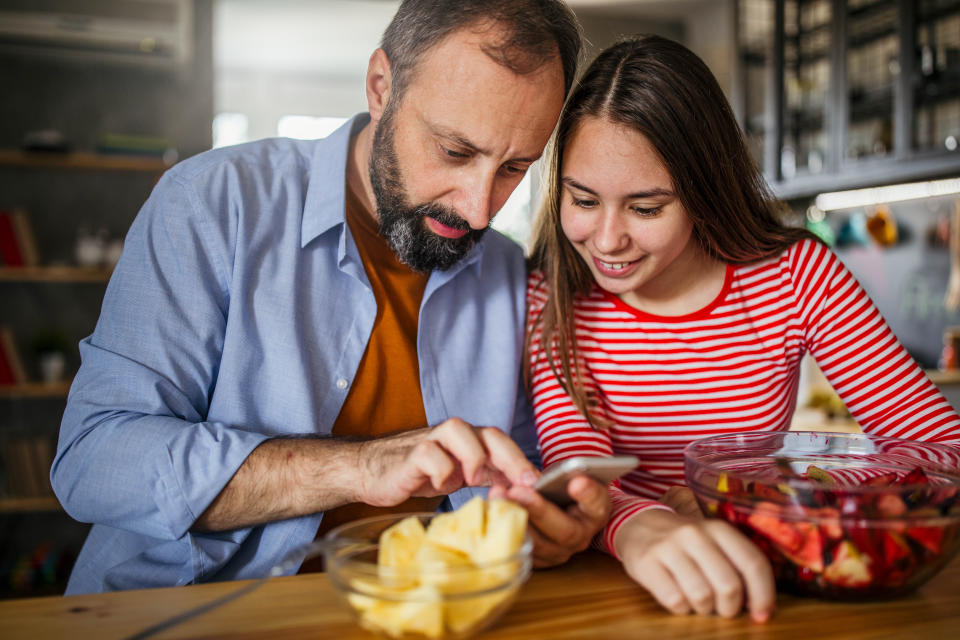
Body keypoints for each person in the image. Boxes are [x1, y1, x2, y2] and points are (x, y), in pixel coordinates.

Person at [52, 0, 611, 595]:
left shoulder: (504, 271)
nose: (478, 208)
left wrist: (540, 524)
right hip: (189, 615)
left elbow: (521, 470)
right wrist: (361, 466)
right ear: (380, 87)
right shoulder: (212, 203)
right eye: (454, 151)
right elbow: (94, 462)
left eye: (515, 168)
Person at [523, 35, 960, 622]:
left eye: (646, 208)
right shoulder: (551, 294)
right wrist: (642, 525)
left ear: (703, 191)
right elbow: (574, 465)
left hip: (771, 581)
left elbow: (940, 450)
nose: (605, 241)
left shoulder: (798, 276)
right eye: (582, 200)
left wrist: (759, 505)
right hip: (613, 588)